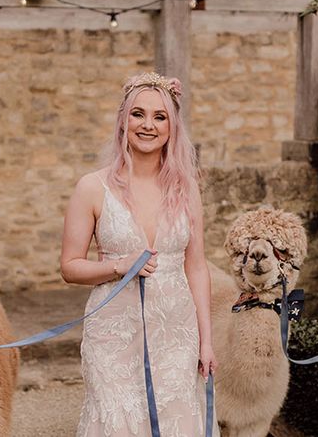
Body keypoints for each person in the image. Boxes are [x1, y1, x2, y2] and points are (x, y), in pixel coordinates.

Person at [61, 71, 218, 437]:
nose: (148, 125)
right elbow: (69, 266)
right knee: (118, 421)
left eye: (159, 117)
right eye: (138, 114)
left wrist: (206, 340)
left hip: (176, 331)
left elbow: (196, 267)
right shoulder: (91, 187)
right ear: (123, 120)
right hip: (113, 332)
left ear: (172, 127)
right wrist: (117, 266)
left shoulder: (186, 189)